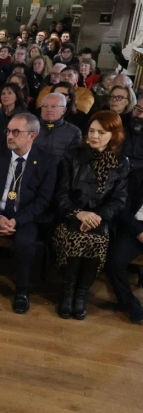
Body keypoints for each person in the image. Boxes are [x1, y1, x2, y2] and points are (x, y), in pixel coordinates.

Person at [0, 113, 58, 313]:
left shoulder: (46, 161)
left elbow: (43, 199)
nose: (9, 136)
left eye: (16, 132)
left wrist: (17, 220)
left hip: (25, 216)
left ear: (32, 135)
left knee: (26, 243)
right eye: (8, 131)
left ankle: (22, 290)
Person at [54, 111, 129, 320]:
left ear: (113, 135)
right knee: (77, 236)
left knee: (95, 238)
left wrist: (96, 216)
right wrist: (79, 213)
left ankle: (80, 295)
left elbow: (118, 200)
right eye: (91, 131)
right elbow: (61, 194)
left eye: (101, 132)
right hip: (70, 215)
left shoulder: (122, 162)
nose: (94, 136)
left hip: (101, 219)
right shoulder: (72, 156)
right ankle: (68, 293)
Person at [105, 166, 143, 323]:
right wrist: (138, 232)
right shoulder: (137, 175)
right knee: (114, 263)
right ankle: (130, 305)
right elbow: (123, 209)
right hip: (135, 227)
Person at [37, 92, 83, 159]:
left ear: (63, 110)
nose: (49, 110)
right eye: (45, 106)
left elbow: (73, 161)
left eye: (53, 106)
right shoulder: (30, 127)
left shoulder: (74, 132)